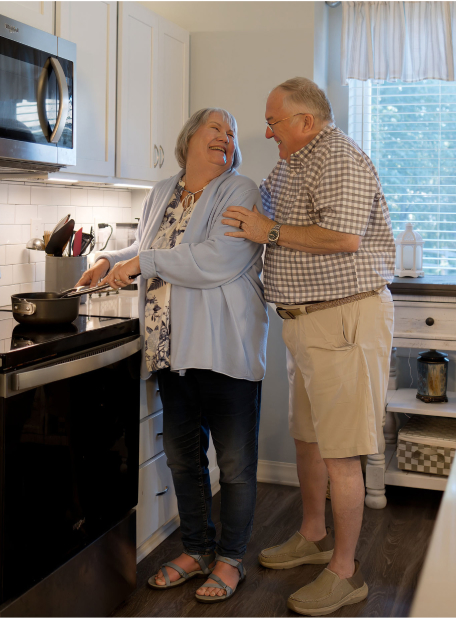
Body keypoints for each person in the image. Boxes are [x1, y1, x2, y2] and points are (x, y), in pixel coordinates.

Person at [76, 108, 268, 603]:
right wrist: (107, 260)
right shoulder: (162, 191)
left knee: (235, 462)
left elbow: (215, 258)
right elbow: (146, 247)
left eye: (231, 132)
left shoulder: (239, 190)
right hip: (170, 346)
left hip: (223, 345)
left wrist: (143, 261)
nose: (226, 137)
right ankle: (198, 549)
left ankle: (231, 559)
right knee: (184, 458)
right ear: (189, 138)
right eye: (217, 128)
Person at [222, 77, 395, 616]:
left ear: (307, 121)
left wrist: (267, 232)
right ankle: (313, 534)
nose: (268, 130)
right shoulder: (294, 161)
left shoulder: (337, 158)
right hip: (305, 323)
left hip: (343, 319)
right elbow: (260, 209)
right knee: (309, 440)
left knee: (342, 452)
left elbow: (342, 238)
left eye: (274, 121)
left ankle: (346, 573)